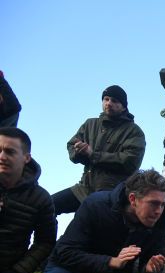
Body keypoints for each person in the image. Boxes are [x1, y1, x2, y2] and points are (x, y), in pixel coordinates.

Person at [36, 170, 165, 273]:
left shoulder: (160, 222)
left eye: (163, 204)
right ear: (133, 199)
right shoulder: (96, 205)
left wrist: (149, 270)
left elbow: (148, 266)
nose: (159, 211)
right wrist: (111, 262)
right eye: (154, 203)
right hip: (66, 271)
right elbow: (65, 252)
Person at [51, 86, 145, 216]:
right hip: (83, 189)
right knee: (48, 205)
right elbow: (71, 145)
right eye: (106, 99)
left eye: (114, 101)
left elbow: (130, 161)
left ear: (123, 106)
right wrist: (79, 151)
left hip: (111, 194)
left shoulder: (134, 131)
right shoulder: (90, 124)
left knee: (85, 226)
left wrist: (93, 155)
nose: (109, 103)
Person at [0, 127, 56, 273]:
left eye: (10, 151)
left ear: (26, 158)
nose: (2, 156)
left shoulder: (41, 198)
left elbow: (46, 241)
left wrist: (19, 272)